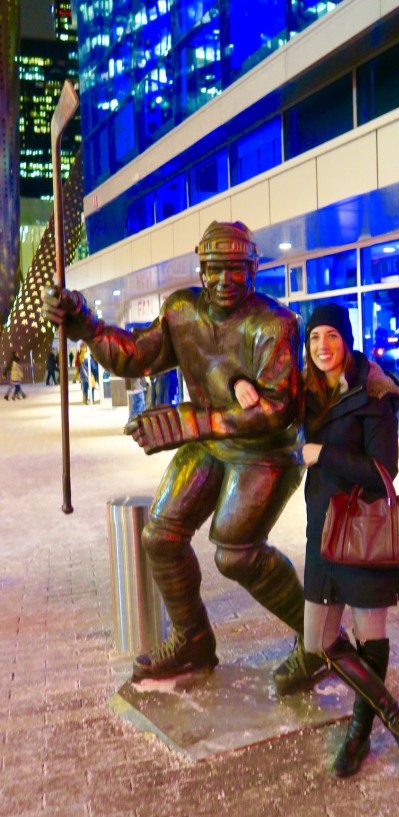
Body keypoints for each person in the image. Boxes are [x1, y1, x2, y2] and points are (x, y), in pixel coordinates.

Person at [41, 221, 327, 688]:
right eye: (214, 269)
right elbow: (133, 355)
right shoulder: (181, 312)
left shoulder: (275, 324)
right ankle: (194, 641)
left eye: (235, 270)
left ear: (253, 269)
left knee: (235, 554)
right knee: (160, 537)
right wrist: (86, 324)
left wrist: (194, 420)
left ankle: (318, 639)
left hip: (264, 450)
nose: (223, 280)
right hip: (209, 441)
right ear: (200, 269)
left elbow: (278, 409)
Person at [236, 304, 399, 776]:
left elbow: (384, 471)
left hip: (365, 535)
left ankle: (360, 733)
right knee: (319, 640)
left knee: (369, 637)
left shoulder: (375, 393)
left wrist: (323, 453)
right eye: (315, 337)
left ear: (347, 340)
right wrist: (236, 383)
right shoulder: (307, 390)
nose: (323, 346)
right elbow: (255, 376)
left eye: (332, 337)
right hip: (322, 533)